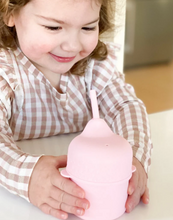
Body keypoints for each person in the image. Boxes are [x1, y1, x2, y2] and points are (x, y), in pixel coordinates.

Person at [0, 0, 152, 219]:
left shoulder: (95, 66)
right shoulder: (6, 70)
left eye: (88, 27)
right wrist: (29, 176)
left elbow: (126, 106)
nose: (72, 45)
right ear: (10, 13)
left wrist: (135, 158)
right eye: (53, 27)